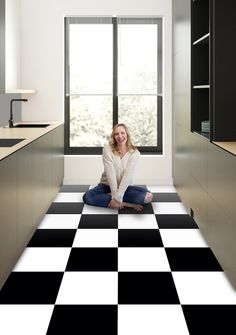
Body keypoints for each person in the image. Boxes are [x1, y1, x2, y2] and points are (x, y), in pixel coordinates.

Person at [83, 123, 153, 211]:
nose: (120, 136)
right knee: (87, 197)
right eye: (116, 134)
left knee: (148, 197)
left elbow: (127, 176)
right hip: (106, 185)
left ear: (127, 134)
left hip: (125, 187)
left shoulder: (135, 153)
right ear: (114, 136)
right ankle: (125, 204)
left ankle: (111, 199)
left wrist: (118, 195)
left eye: (122, 133)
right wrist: (116, 197)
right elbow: (110, 174)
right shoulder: (107, 149)